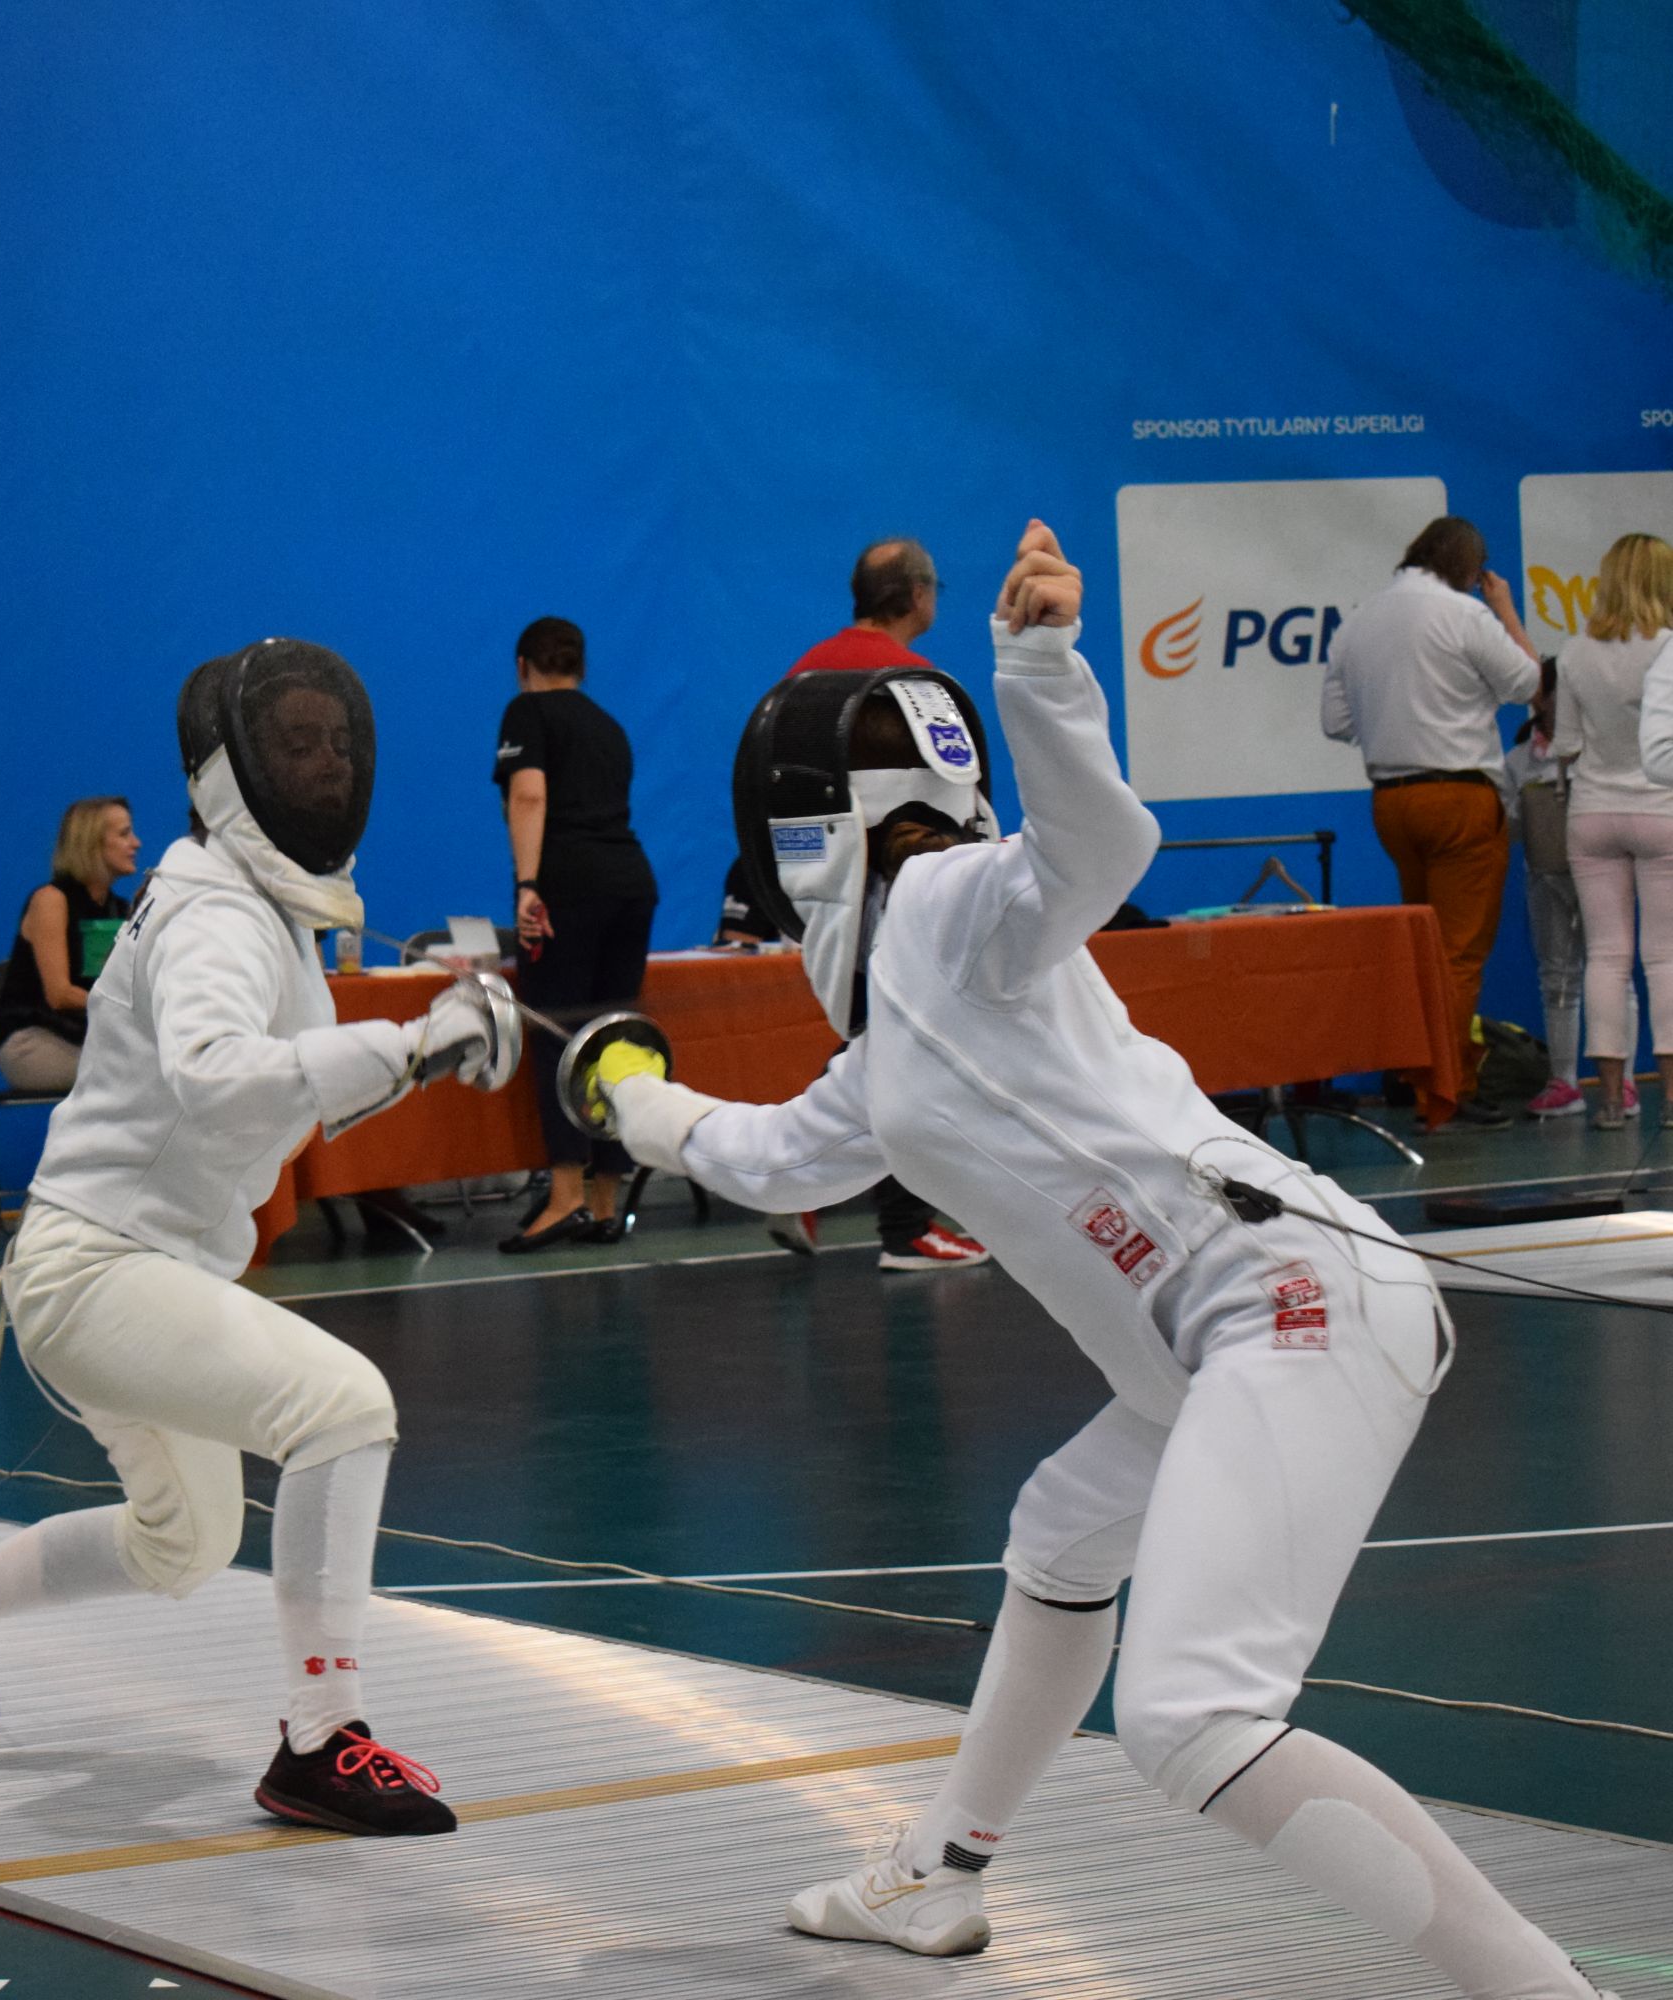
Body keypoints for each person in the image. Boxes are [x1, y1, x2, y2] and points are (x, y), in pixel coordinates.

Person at [587, 523, 1618, 2000]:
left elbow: (1099, 848)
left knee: (1191, 1719)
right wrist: (627, 1094)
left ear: (802, 827)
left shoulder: (953, 907)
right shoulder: (898, 1043)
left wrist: (1040, 663)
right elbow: (769, 1159)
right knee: (1064, 1534)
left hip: (1285, 1304)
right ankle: (936, 1875)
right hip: (1233, 1331)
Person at [0, 640, 520, 1836]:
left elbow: (279, 1094)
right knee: (345, 1408)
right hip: (100, 1268)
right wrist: (413, 1044)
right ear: (229, 772)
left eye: (336, 743)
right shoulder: (217, 912)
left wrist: (425, 1050)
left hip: (127, 1268)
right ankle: (322, 1738)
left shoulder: (254, 901)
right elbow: (215, 1076)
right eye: (295, 744)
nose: (325, 765)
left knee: (184, 1541)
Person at [781, 539, 990, 1270]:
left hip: (826, 895)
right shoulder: (918, 686)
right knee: (908, 1050)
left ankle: (800, 1174)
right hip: (903, 894)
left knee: (875, 1042)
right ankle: (904, 1228)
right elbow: (954, 807)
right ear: (917, 594)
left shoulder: (803, 674)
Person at [1321, 515, 1544, 1128]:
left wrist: (1398, 713)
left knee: (1425, 950)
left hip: (1393, 802)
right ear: (1469, 569)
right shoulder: (1465, 614)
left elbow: (1336, 723)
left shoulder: (1359, 620)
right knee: (1458, 955)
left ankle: (1418, 1075)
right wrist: (1504, 610)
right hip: (1460, 797)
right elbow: (1528, 682)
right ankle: (1445, 1091)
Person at [492, 616, 657, 1251]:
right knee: (613, 1040)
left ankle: (565, 1197)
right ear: (582, 668)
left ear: (522, 666)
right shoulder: (609, 727)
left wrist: (528, 886)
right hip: (630, 884)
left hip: (569, 889)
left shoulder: (527, 713)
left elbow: (529, 797)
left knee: (558, 1036)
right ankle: (606, 1200)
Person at [1552, 534, 1673, 1131]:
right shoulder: (1668, 648)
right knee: (1666, 956)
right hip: (1662, 811)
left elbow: (1565, 745)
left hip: (1592, 812)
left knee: (1604, 957)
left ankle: (1609, 1102)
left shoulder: (1573, 653)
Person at [0, 797, 140, 1093]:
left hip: (87, 1038)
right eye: (124, 834)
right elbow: (59, 995)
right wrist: (130, 1008)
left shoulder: (121, 910)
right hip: (34, 1041)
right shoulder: (51, 901)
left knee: (156, 1068)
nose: (136, 843)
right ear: (91, 843)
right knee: (142, 1076)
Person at [1503, 708, 1584, 1119]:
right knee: (1557, 976)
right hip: (1544, 875)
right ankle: (1564, 1081)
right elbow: (1509, 828)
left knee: (1612, 969)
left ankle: (1621, 1084)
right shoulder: (1518, 760)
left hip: (1600, 870)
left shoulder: (1596, 746)